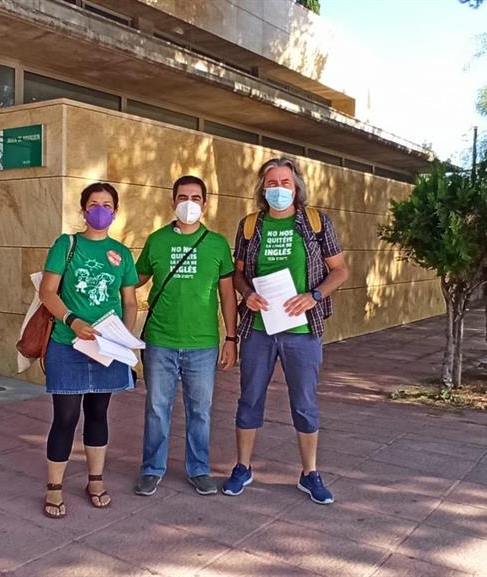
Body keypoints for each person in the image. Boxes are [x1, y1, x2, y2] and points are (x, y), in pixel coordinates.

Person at [221, 157, 349, 505]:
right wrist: (246, 294)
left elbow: (339, 270)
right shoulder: (250, 226)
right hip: (259, 330)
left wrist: (314, 295)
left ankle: (310, 473)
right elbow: (238, 273)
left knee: (304, 402)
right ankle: (242, 467)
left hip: (302, 331)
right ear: (263, 187)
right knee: (249, 398)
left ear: (297, 187)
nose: (278, 188)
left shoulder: (316, 223)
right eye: (272, 183)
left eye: (285, 183)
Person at [37, 182, 138, 519]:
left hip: (106, 348)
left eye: (107, 205)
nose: (100, 210)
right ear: (83, 210)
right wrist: (73, 320)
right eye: (94, 204)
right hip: (68, 345)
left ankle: (95, 480)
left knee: (98, 414)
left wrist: (123, 335)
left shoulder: (121, 253)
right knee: (66, 417)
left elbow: (129, 300)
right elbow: (48, 292)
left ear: (115, 211)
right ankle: (54, 486)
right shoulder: (67, 244)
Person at [133, 175, 238, 497]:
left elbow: (228, 295)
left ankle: (199, 469)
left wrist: (231, 339)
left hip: (202, 344)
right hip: (160, 341)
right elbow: (134, 279)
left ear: (205, 204)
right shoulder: (156, 240)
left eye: (195, 198)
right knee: (156, 408)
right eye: (182, 197)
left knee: (200, 411)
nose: (188, 203)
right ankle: (152, 468)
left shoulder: (217, 244)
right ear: (172, 201)